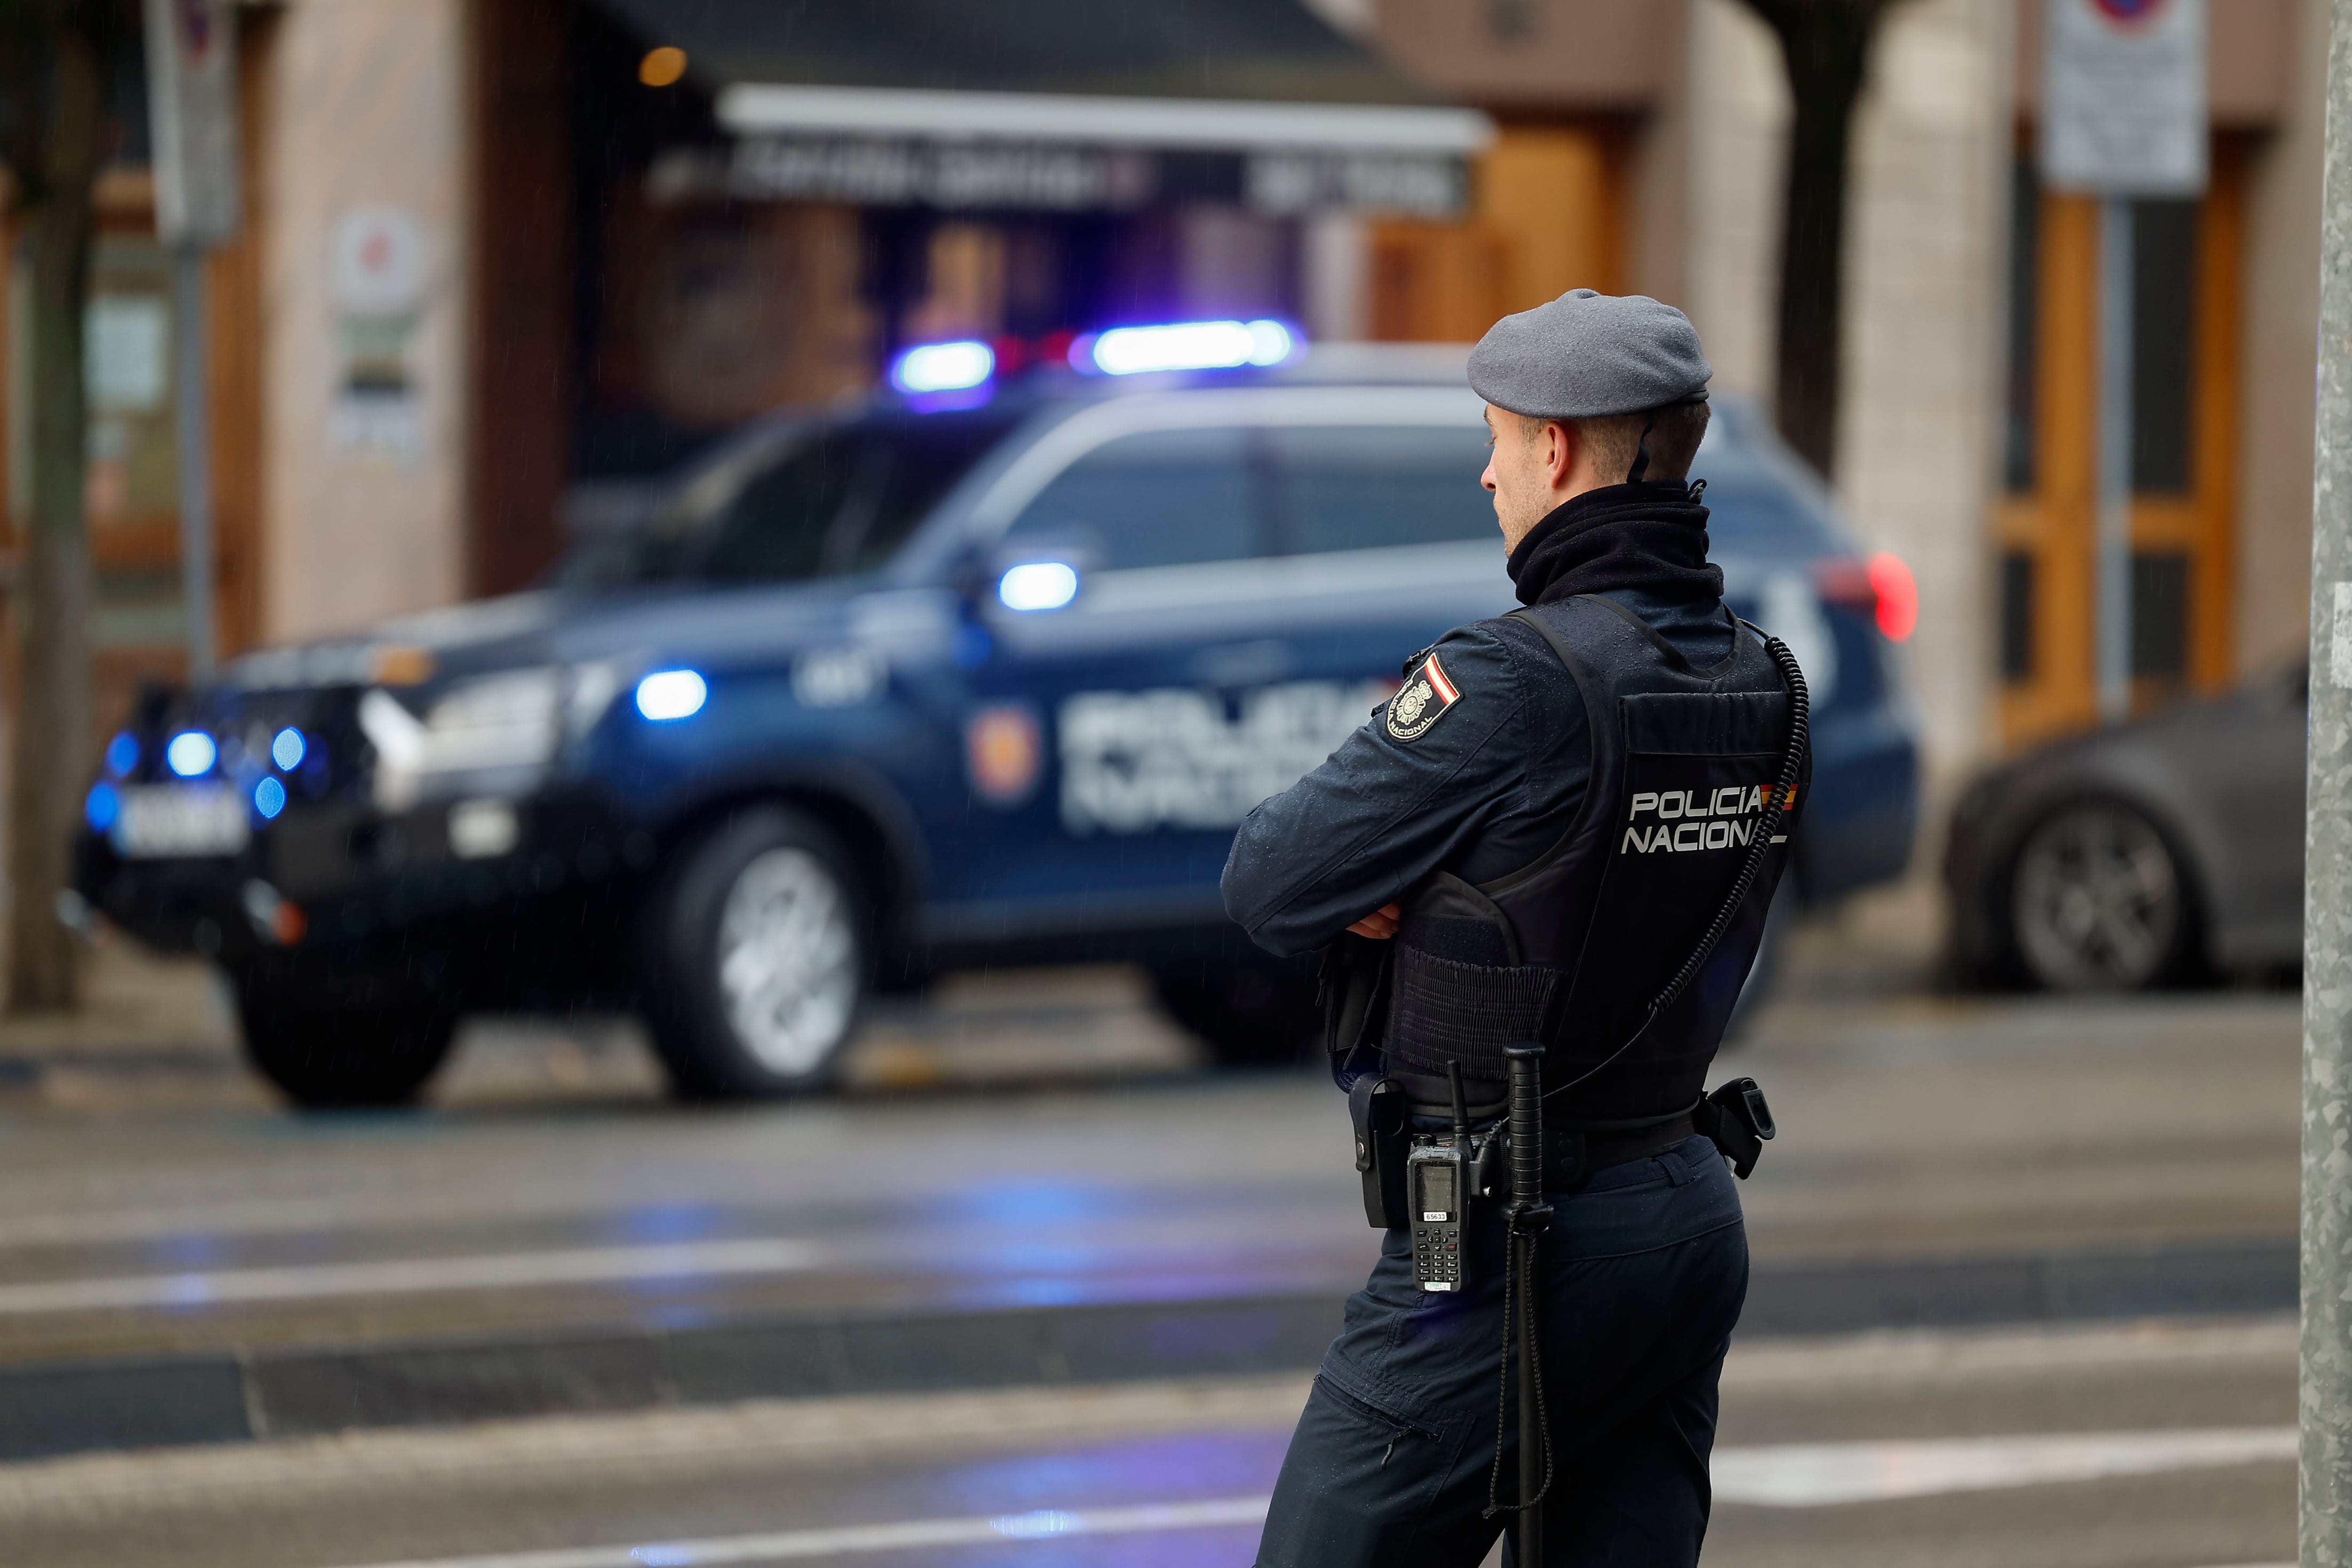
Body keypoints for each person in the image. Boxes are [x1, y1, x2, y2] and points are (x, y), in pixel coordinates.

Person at [1222, 288, 1808, 1568]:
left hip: (1506, 1243)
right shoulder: (1765, 682)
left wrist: (1419, 882)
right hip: (1684, 1211)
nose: (1486, 470)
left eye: (1497, 437)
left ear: (1556, 451)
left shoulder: (1519, 680)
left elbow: (1271, 878)